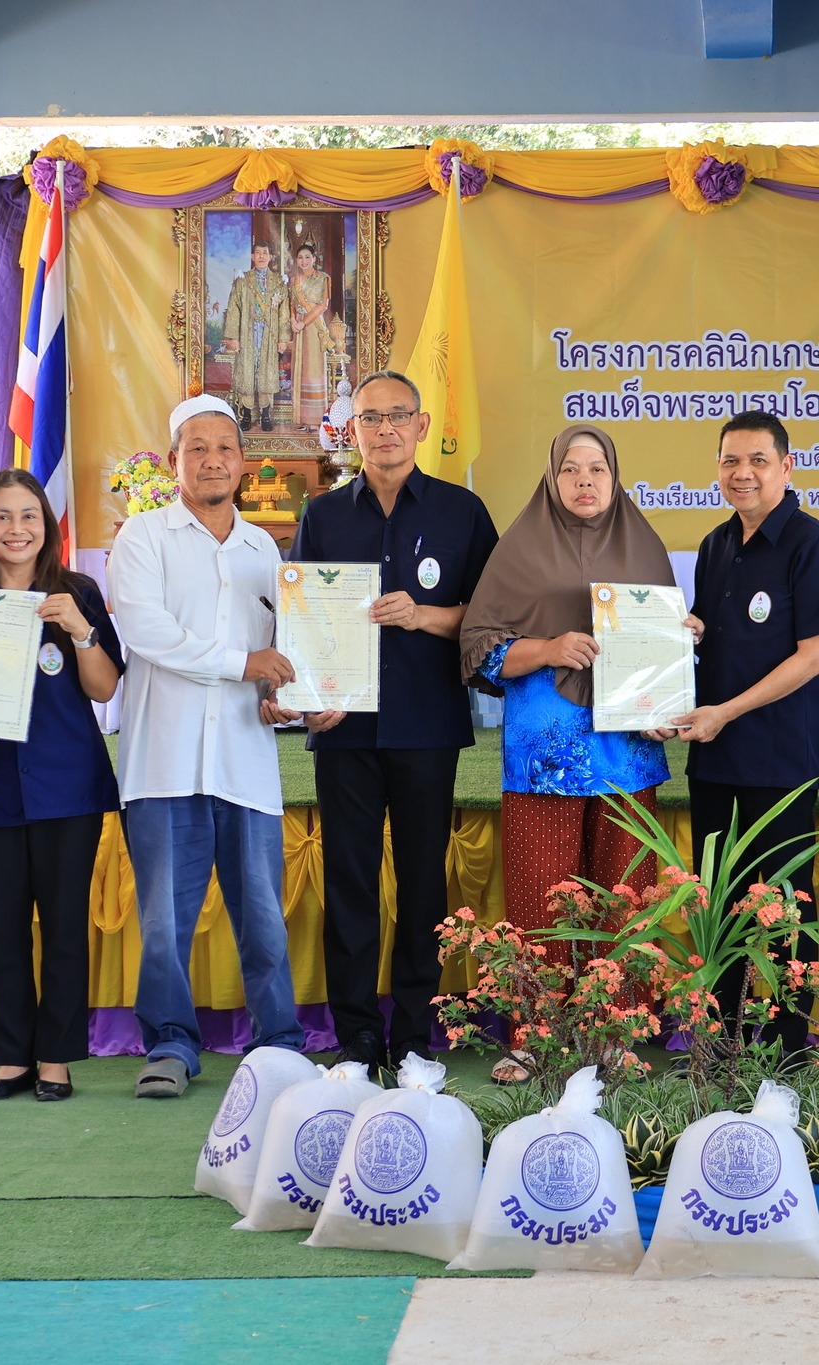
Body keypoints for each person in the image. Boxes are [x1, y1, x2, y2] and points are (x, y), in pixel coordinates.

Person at [273, 370, 498, 1074]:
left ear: (422, 425)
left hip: (427, 724)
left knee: (423, 881)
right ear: (352, 430)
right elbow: (304, 617)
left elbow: (493, 619)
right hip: (346, 728)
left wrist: (423, 615)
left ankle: (414, 1033)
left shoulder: (463, 513)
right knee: (350, 878)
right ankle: (358, 1032)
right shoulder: (324, 515)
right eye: (370, 418)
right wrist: (311, 690)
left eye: (399, 415)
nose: (385, 429)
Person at [460, 424, 696, 1080]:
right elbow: (481, 643)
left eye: (598, 468)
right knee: (541, 893)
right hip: (545, 754)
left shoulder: (643, 546)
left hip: (627, 753)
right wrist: (548, 647)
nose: (586, 480)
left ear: (616, 477)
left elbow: (660, 647)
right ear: (552, 477)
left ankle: (616, 1032)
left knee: (628, 891)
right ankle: (535, 1034)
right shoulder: (520, 548)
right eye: (572, 468)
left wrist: (678, 653)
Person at [108, 394, 308, 1098]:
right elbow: (148, 633)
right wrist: (244, 663)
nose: (213, 459)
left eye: (225, 447)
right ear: (174, 462)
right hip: (163, 765)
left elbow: (287, 656)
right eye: (198, 448)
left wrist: (289, 693)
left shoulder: (265, 551)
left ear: (244, 463)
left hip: (245, 764)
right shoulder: (141, 538)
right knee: (164, 918)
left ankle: (279, 1045)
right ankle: (169, 1044)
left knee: (262, 915)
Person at [0, 469, 123, 1102]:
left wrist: (81, 630)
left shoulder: (79, 594)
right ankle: (12, 1059)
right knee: (4, 930)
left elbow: (103, 687)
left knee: (65, 928)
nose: (17, 529)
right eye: (3, 517)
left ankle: (57, 1062)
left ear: (47, 525)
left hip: (68, 789)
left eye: (29, 516)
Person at [673, 410, 819, 1053]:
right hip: (714, 755)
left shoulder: (813, 545)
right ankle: (718, 1038)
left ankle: (786, 1041)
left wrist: (727, 711)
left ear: (786, 466)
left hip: (777, 757)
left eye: (757, 461)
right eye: (729, 462)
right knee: (716, 900)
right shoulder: (717, 544)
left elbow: (813, 656)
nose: (741, 474)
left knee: (780, 902)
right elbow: (719, 639)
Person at [222, 239, 290, 432]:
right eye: (257, 253)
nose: (261, 256)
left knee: (267, 371)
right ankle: (246, 414)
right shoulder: (242, 281)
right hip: (247, 333)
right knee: (247, 372)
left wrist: (283, 339)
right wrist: (233, 337)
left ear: (270, 257)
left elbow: (284, 312)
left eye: (264, 253)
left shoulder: (279, 282)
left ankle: (266, 416)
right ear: (252, 257)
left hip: (269, 334)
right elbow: (234, 308)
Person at [288, 241, 333, 430]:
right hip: (298, 327)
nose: (304, 260)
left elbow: (323, 305)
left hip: (314, 326)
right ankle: (301, 418)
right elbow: (291, 303)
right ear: (296, 261)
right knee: (299, 369)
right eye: (300, 257)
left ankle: (315, 420)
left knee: (314, 369)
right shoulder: (294, 280)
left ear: (314, 259)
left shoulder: (323, 278)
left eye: (308, 257)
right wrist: (293, 321)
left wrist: (303, 322)